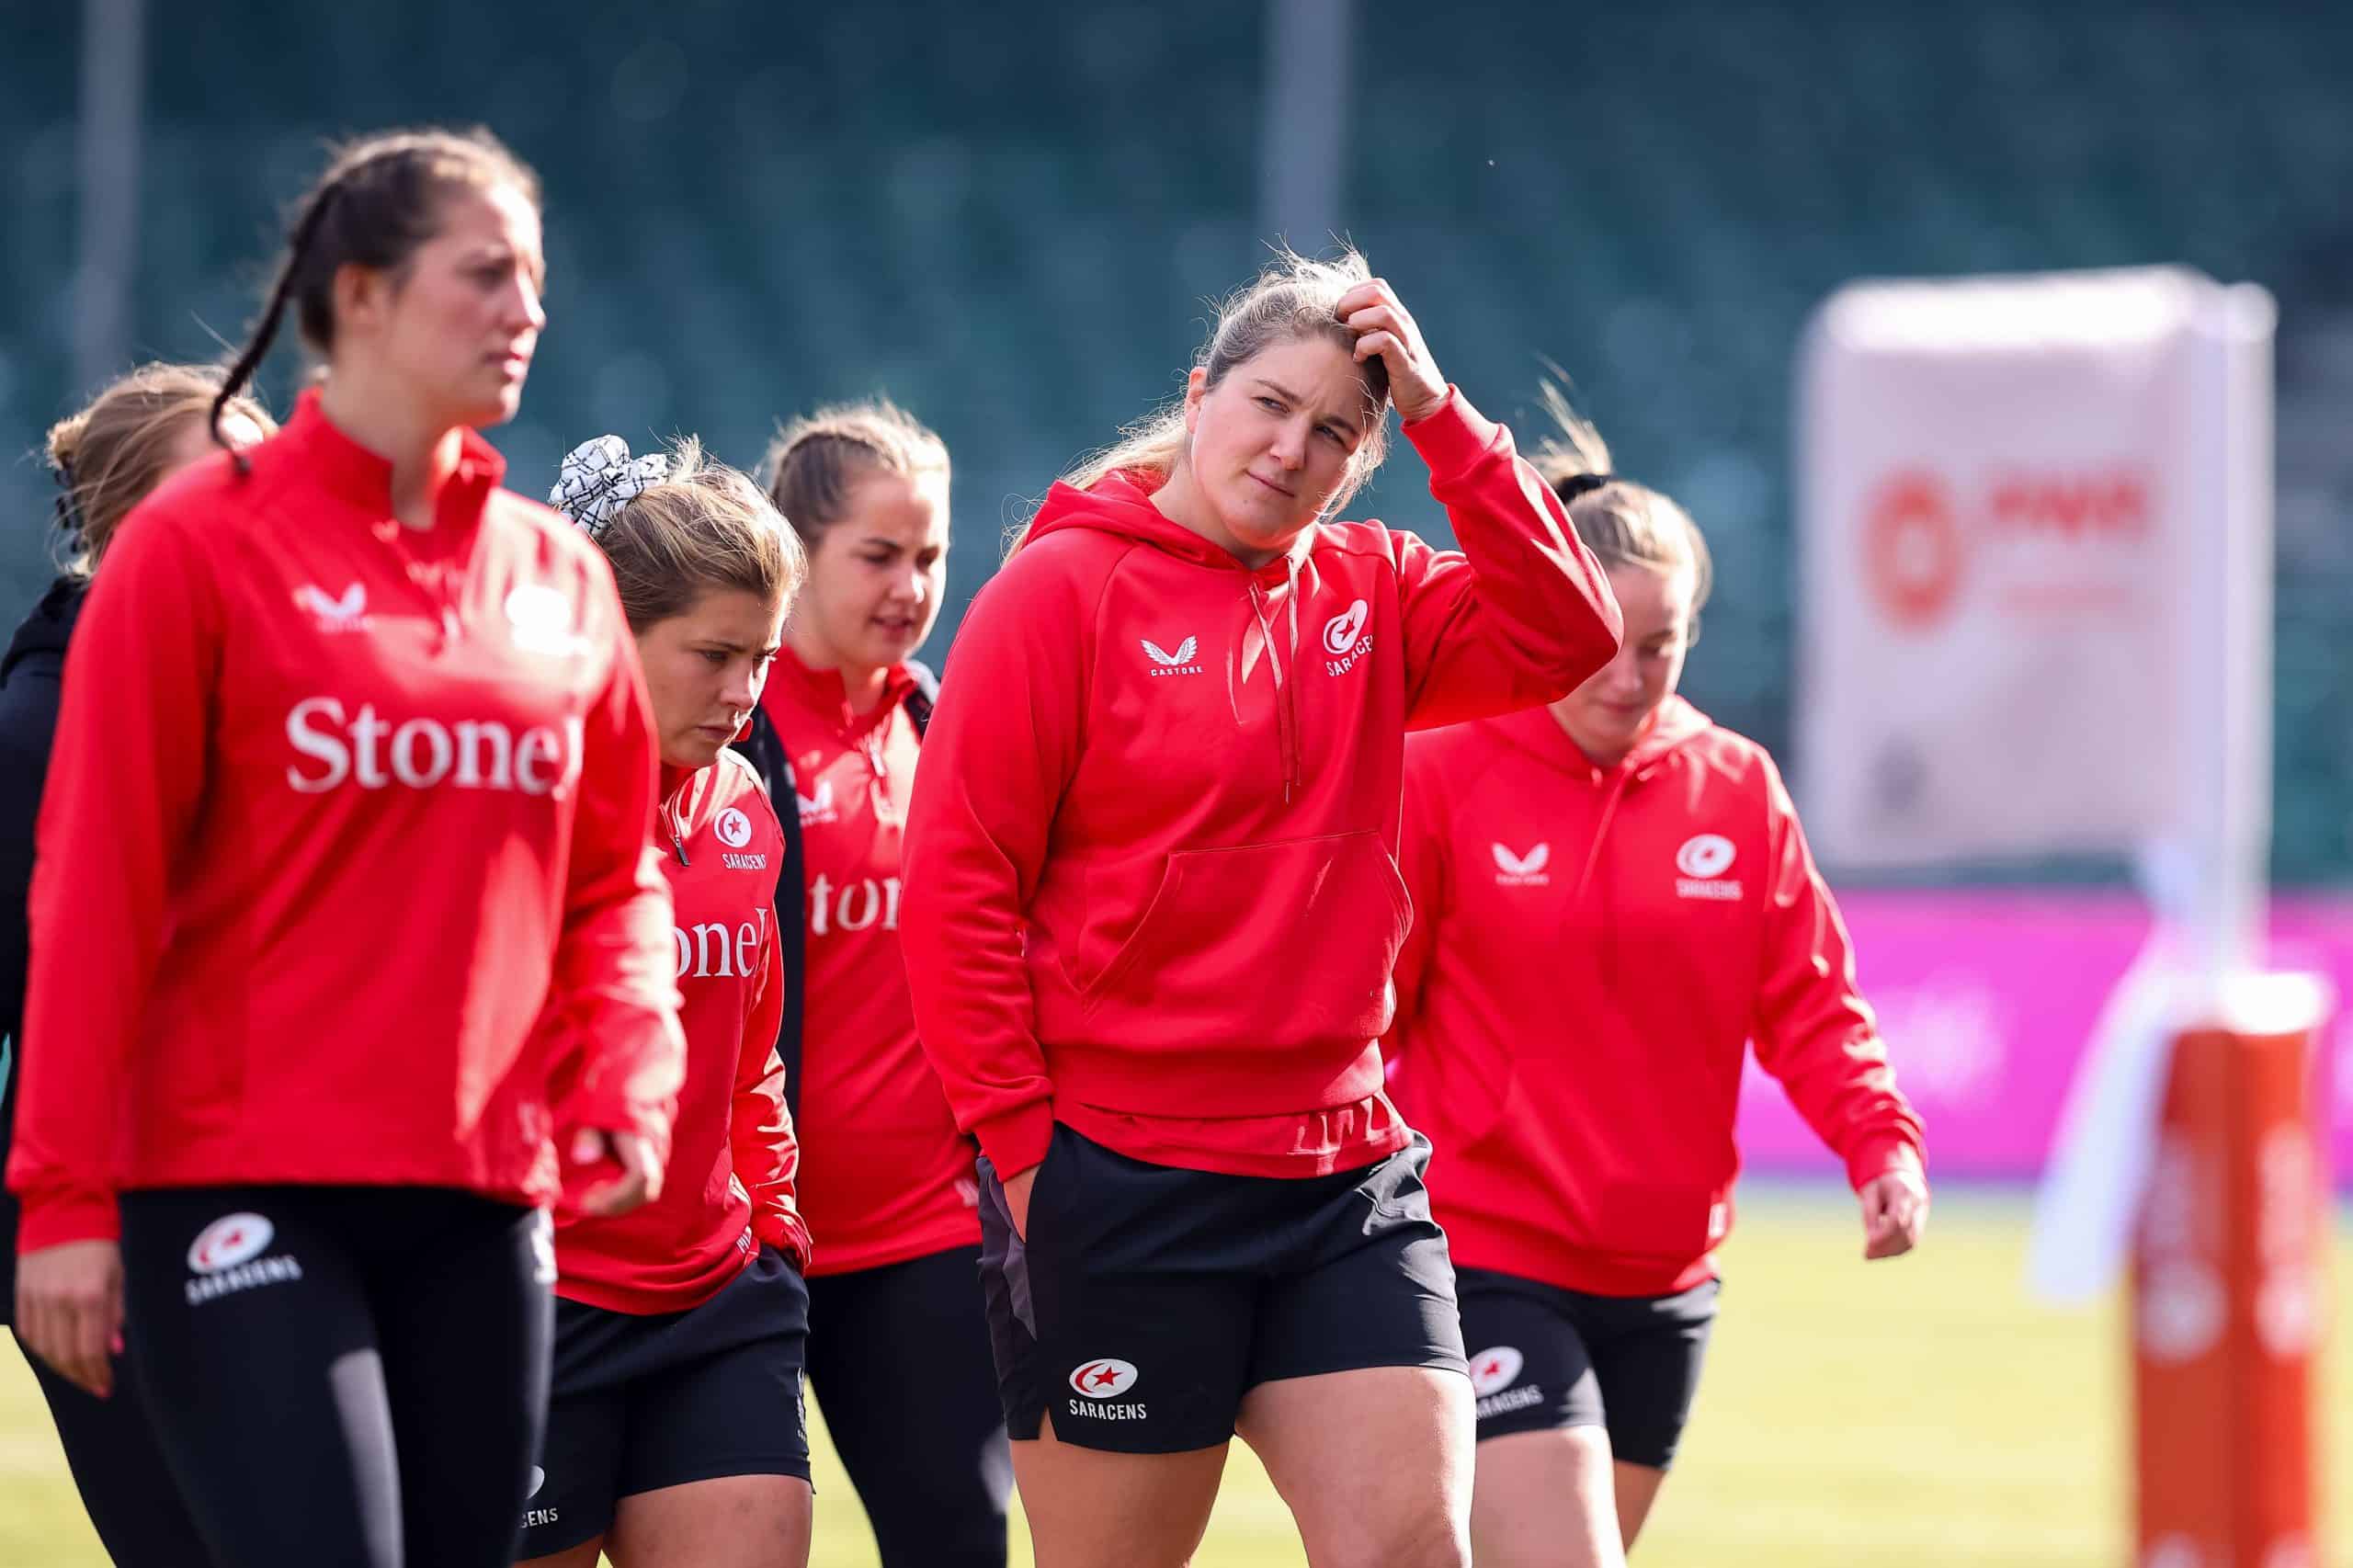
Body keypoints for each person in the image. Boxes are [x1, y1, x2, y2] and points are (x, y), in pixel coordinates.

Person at [6, 126, 686, 1568]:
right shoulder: (194, 550)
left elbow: (614, 881)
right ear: (359, 298)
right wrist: (61, 1193)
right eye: (486, 276)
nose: (528, 312)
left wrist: (628, 1063)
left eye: (538, 281)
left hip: (484, 1196)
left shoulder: (556, 576)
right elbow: (97, 890)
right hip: (235, 1184)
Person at [899, 247, 1624, 1568]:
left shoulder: (1378, 589)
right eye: (1270, 406)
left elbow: (1572, 635)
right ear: (1199, 395)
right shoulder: (1058, 595)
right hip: (1116, 1181)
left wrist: (1447, 419)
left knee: (1418, 1549)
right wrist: (1026, 1166)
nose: (1294, 449)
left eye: (1338, 431)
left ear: (1365, 459)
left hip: (1342, 1177)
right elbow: (956, 894)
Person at [1384, 392, 1929, 1568]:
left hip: (1667, 1278)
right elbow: (1364, 1008)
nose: (1624, 674)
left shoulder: (1735, 785)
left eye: (1659, 643)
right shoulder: (1445, 766)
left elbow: (1809, 999)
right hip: (1485, 1254)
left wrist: (1879, 1143)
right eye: (1597, 635)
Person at [522, 436, 815, 1568]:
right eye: (712, 655)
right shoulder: (510, 800)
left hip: (719, 1299)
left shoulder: (743, 803)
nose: (744, 695)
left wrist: (775, 1228)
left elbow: (751, 1055)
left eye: (764, 657)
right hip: (537, 1304)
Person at [0, 362, 274, 1565]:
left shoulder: (298, 703)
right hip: (112, 1245)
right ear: (124, 527)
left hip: (307, 1208)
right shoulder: (35, 728)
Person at [732, 402, 1011, 1568]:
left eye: (932, 555)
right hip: (753, 1242)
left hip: (924, 1240)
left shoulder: (939, 720)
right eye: (879, 555)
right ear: (797, 558)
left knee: (960, 1539)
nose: (911, 584)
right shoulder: (726, 731)